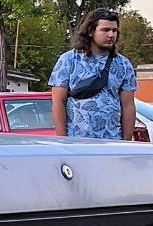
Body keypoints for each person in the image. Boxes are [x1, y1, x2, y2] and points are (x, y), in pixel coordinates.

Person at [50, 8, 138, 140]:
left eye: (114, 30)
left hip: (112, 141)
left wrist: (125, 142)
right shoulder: (68, 60)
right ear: (91, 31)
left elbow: (128, 106)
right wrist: (64, 140)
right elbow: (58, 102)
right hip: (77, 141)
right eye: (105, 30)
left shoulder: (123, 64)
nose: (111, 35)